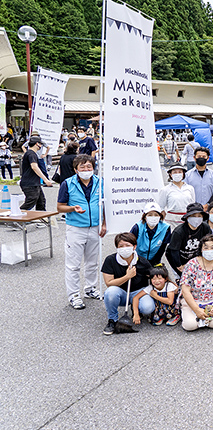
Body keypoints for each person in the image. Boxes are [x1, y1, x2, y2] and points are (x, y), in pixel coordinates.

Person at [56, 154, 107, 310]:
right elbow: (60, 207)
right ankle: (74, 295)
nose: (86, 169)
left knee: (93, 262)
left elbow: (105, 205)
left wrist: (104, 223)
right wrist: (72, 208)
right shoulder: (68, 184)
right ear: (76, 169)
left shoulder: (100, 183)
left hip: (95, 228)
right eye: (82, 167)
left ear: (93, 168)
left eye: (89, 167)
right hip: (76, 229)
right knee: (73, 265)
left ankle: (91, 289)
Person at [101, 233, 154, 335]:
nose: (124, 248)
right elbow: (109, 283)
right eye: (121, 246)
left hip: (138, 293)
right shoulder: (110, 260)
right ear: (116, 247)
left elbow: (153, 279)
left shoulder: (142, 261)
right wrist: (127, 277)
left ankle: (136, 309)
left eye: (128, 245)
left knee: (148, 307)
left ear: (134, 247)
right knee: (110, 292)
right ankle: (112, 320)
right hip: (121, 294)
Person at [179, 235, 213, 330]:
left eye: (212, 247)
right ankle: (186, 311)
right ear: (201, 250)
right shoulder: (191, 264)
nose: (209, 250)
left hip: (212, 302)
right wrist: (196, 310)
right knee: (190, 325)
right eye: (205, 247)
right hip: (193, 300)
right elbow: (185, 290)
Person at [166, 203, 212, 277]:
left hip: (195, 259)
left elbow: (209, 243)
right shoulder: (179, 231)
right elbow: (174, 251)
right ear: (187, 217)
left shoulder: (205, 228)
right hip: (178, 259)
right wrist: (179, 266)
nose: (196, 218)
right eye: (193, 216)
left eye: (199, 216)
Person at [130, 202, 172, 267]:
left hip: (155, 260)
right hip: (138, 259)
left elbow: (163, 248)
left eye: (156, 215)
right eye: (150, 215)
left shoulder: (166, 228)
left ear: (160, 216)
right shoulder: (137, 227)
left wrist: (154, 262)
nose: (153, 217)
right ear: (145, 217)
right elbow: (131, 245)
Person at [158, 163, 195, 229]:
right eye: (174, 172)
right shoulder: (165, 189)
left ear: (183, 174)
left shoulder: (190, 188)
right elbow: (161, 207)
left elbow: (192, 205)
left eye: (180, 172)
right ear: (170, 174)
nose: (177, 174)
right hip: (171, 222)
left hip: (187, 220)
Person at [20, 136, 53, 211]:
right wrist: (46, 180)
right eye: (40, 144)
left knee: (41, 201)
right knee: (31, 201)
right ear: (37, 144)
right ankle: (15, 216)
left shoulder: (31, 153)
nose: (41, 146)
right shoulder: (31, 154)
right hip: (29, 183)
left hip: (34, 182)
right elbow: (34, 167)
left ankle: (42, 218)